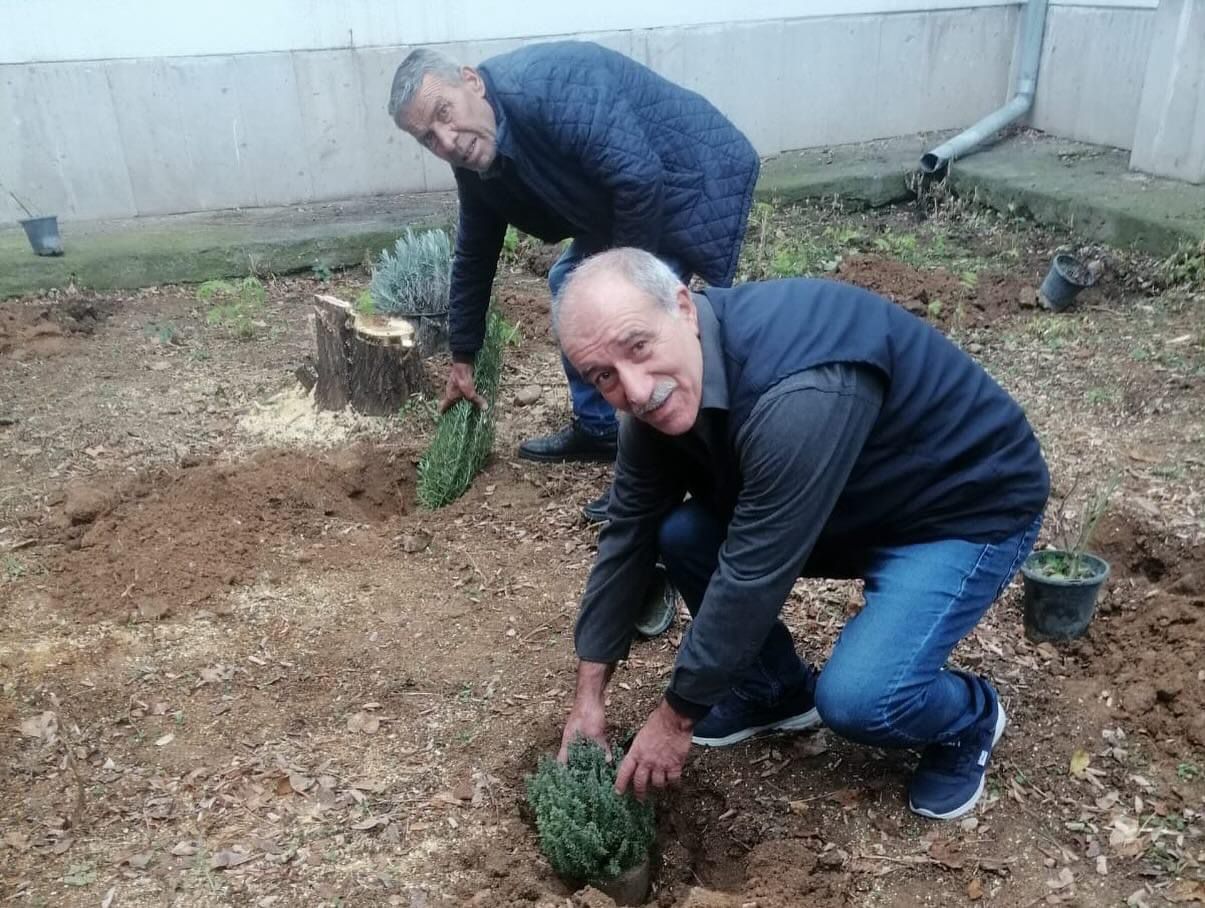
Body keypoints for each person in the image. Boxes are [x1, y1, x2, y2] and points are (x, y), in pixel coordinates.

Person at [553, 248, 1050, 820]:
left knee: (861, 700)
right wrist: (588, 698)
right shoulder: (656, 404)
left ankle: (969, 718)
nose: (637, 391)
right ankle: (774, 691)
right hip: (850, 500)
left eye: (638, 347)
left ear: (684, 309)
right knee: (683, 532)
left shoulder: (798, 392)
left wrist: (676, 718)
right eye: (603, 377)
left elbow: (753, 574)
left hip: (961, 508)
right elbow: (626, 537)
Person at [387, 41, 760, 522]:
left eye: (445, 112)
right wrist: (463, 355)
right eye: (429, 138)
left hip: (684, 178)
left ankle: (660, 481)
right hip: (621, 195)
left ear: (471, 82)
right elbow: (475, 251)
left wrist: (622, 288)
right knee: (571, 280)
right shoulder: (475, 157)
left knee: (648, 332)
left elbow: (639, 178)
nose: (448, 140)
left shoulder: (548, 91)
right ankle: (601, 426)